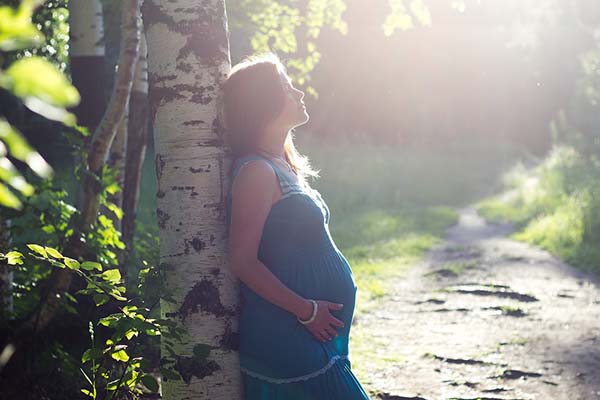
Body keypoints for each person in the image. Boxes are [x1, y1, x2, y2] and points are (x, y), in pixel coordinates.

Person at [223, 53, 370, 400]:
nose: (299, 94)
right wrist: (308, 311)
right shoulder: (257, 172)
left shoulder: (281, 165)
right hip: (288, 336)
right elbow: (242, 261)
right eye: (288, 88)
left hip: (311, 338)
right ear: (264, 104)